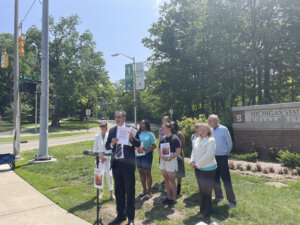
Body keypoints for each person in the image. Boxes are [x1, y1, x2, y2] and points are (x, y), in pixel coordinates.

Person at [105, 110, 140, 225]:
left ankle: (130, 219)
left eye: (119, 117)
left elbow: (138, 144)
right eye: (116, 117)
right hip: (116, 165)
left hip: (127, 166)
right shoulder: (113, 130)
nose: (117, 119)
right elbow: (107, 146)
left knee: (130, 192)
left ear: (124, 118)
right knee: (119, 191)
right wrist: (112, 143)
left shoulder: (132, 129)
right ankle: (120, 216)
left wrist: (131, 139)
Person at [208, 114, 236, 208]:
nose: (209, 122)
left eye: (210, 120)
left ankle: (232, 201)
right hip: (213, 158)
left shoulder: (224, 129)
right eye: (208, 121)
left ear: (216, 121)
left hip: (222, 157)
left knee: (226, 179)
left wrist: (225, 154)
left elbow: (229, 143)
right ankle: (219, 196)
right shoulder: (210, 130)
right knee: (215, 178)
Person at [190, 123, 217, 218]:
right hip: (198, 168)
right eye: (201, 130)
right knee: (202, 190)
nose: (202, 132)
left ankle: (205, 212)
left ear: (208, 131)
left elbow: (209, 155)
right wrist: (192, 161)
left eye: (205, 130)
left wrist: (197, 164)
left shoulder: (211, 140)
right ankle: (204, 209)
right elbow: (193, 151)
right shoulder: (197, 139)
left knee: (206, 191)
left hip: (208, 169)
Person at [159, 123, 181, 205]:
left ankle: (174, 198)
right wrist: (161, 156)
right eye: (162, 129)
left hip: (171, 160)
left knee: (172, 180)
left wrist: (169, 158)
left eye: (164, 129)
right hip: (163, 160)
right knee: (166, 179)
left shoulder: (175, 138)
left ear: (169, 129)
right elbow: (159, 149)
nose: (163, 131)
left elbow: (178, 151)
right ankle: (168, 197)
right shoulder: (163, 138)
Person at [93, 122, 114, 200]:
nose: (102, 127)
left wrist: (105, 157)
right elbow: (95, 148)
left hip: (108, 159)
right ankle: (101, 192)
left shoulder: (110, 136)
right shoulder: (96, 136)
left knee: (109, 175)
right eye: (100, 126)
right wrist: (100, 156)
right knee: (99, 176)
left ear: (106, 127)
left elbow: (111, 148)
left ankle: (111, 193)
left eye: (103, 126)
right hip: (99, 159)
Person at [136, 120, 157, 199]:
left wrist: (147, 149)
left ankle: (149, 191)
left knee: (147, 173)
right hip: (138, 155)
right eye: (141, 123)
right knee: (141, 173)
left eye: (143, 123)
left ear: (147, 125)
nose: (142, 125)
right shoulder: (138, 134)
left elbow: (154, 145)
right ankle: (144, 190)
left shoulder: (150, 134)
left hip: (147, 155)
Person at [170, 121, 186, 196]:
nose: (171, 127)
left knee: (179, 172)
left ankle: (178, 188)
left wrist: (176, 148)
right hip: (170, 155)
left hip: (178, 155)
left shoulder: (179, 133)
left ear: (176, 126)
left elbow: (183, 144)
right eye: (170, 125)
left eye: (173, 125)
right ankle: (172, 188)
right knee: (171, 171)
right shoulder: (169, 133)